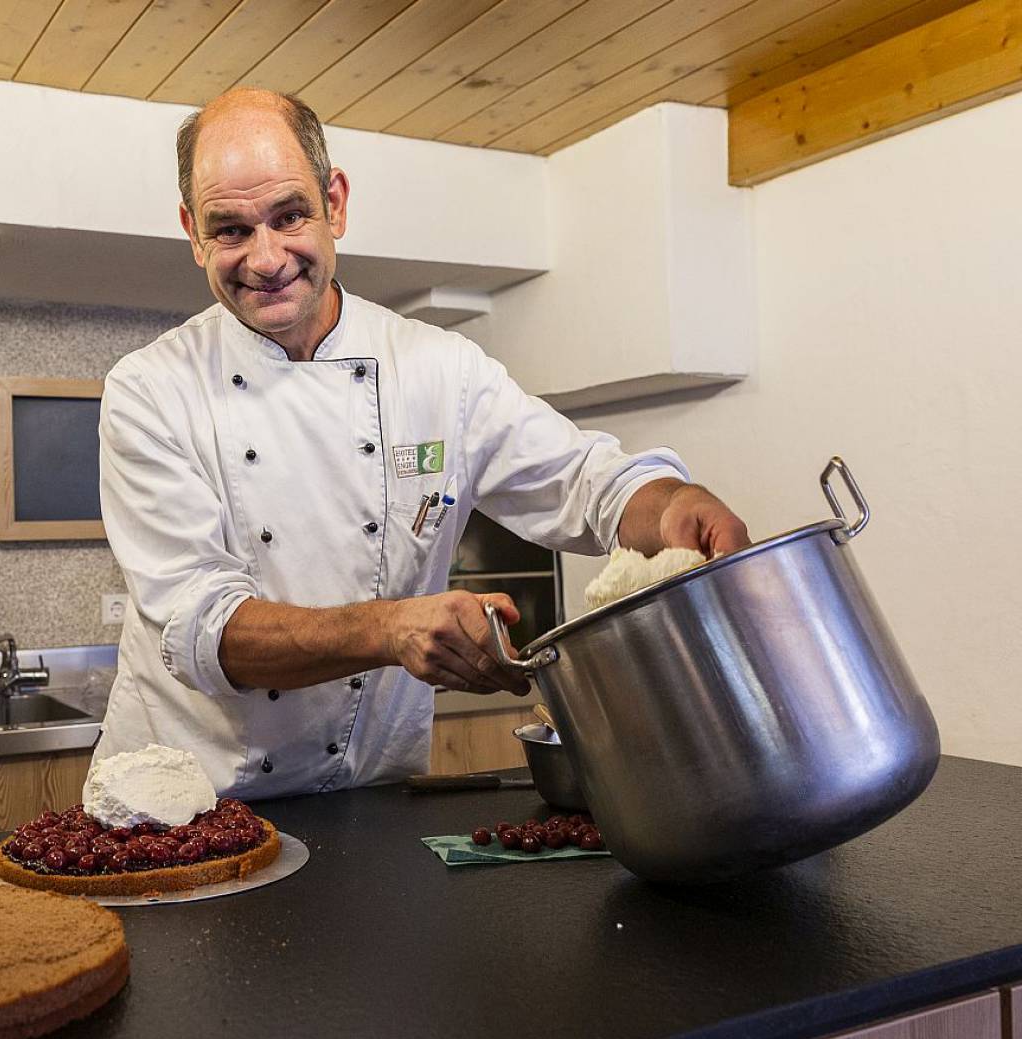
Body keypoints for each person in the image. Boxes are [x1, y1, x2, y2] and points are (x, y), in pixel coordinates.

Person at [93, 88, 748, 798]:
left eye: (289, 216)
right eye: (230, 230)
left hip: (367, 796)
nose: (266, 256)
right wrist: (393, 629)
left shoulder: (439, 369)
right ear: (193, 232)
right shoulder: (150, 390)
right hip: (184, 809)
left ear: (334, 202)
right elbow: (203, 632)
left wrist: (671, 501)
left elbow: (586, 480)